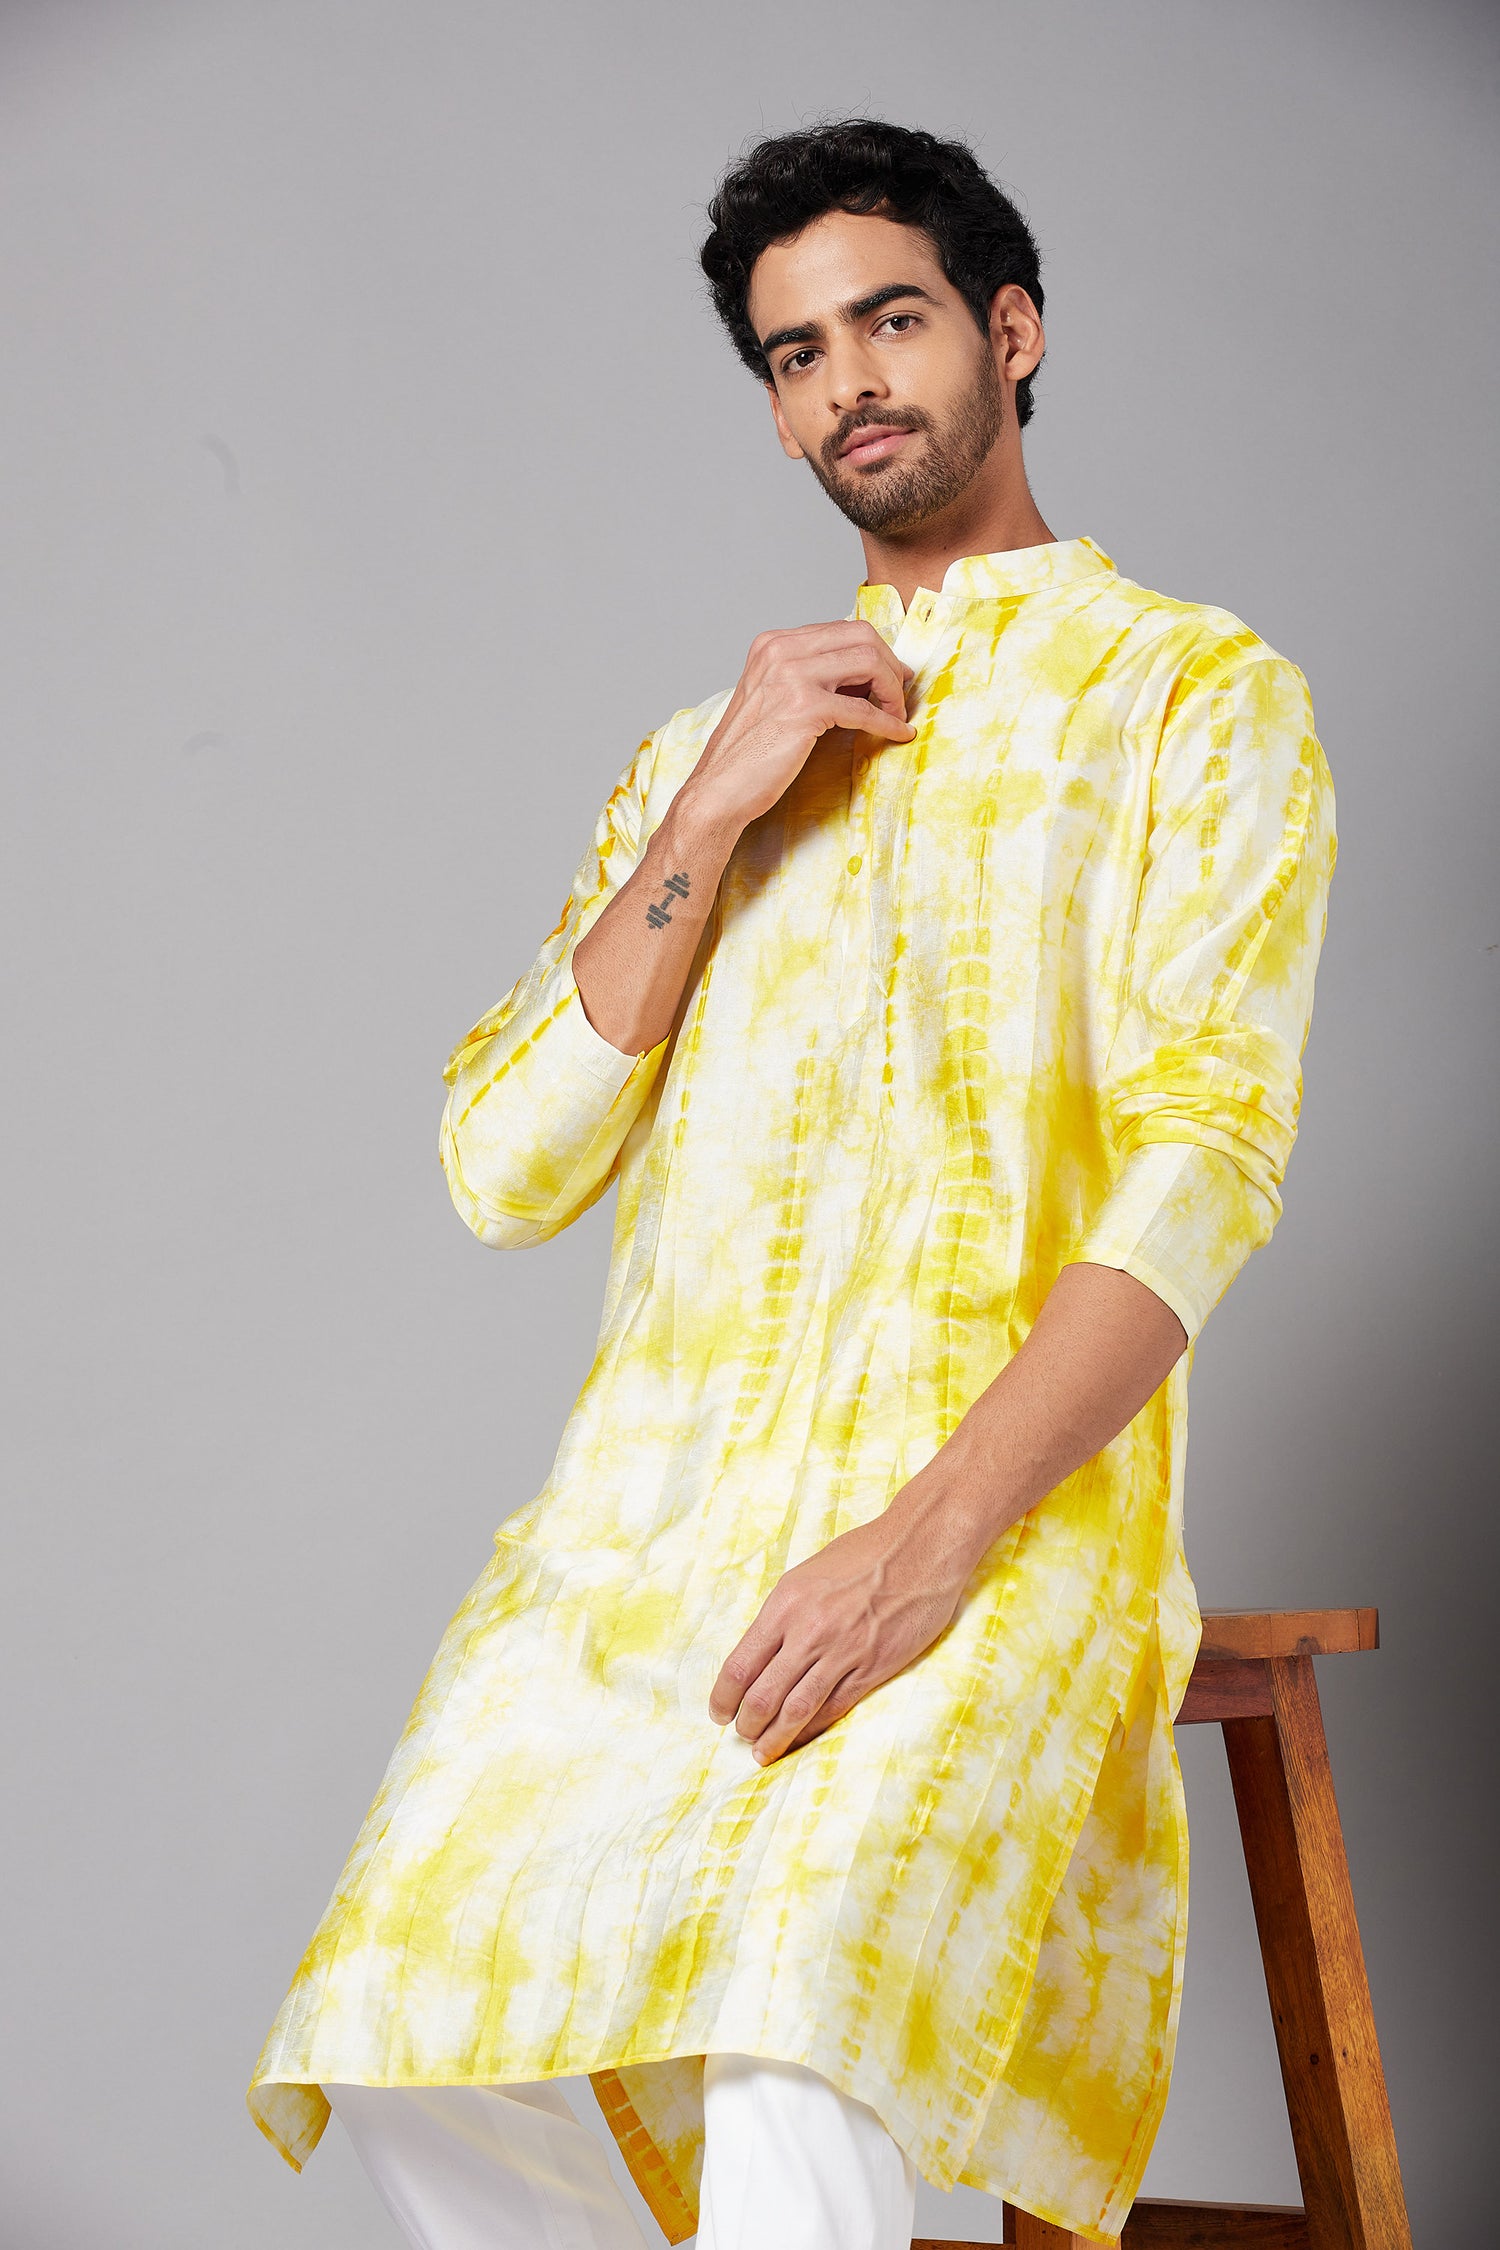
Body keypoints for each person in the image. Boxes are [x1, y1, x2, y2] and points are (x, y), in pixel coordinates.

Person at [248, 119, 1337, 2249]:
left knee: (785, 2029)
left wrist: (924, 1549)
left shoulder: (1194, 700)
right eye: (794, 353)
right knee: (390, 2019)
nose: (848, 381)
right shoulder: (711, 752)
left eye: (891, 320)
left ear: (1011, 333)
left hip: (989, 1531)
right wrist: (716, 810)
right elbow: (504, 1165)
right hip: (640, 1554)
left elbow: (1206, 1165)